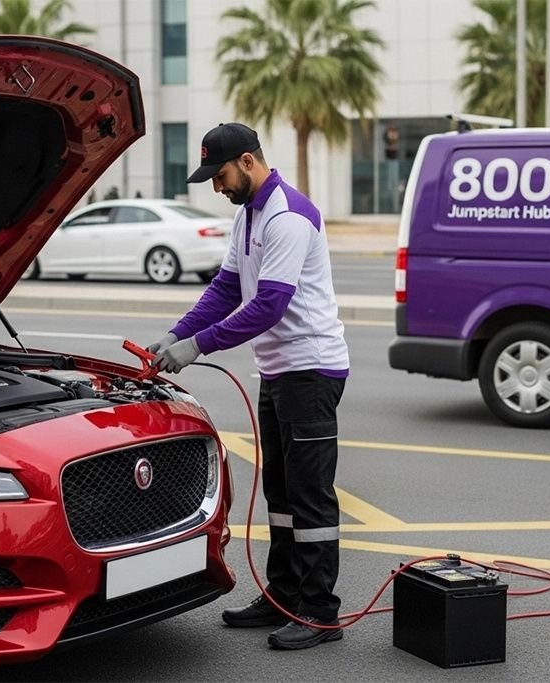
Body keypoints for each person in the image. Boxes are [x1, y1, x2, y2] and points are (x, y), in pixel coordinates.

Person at [148, 122, 349, 650]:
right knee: (281, 494)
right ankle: (284, 596)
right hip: (279, 371)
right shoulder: (248, 216)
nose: (216, 186)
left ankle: (320, 613)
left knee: (310, 499)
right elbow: (226, 289)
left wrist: (197, 347)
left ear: (247, 161)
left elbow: (268, 304)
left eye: (219, 175)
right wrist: (175, 333)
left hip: (311, 370)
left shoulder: (288, 215)